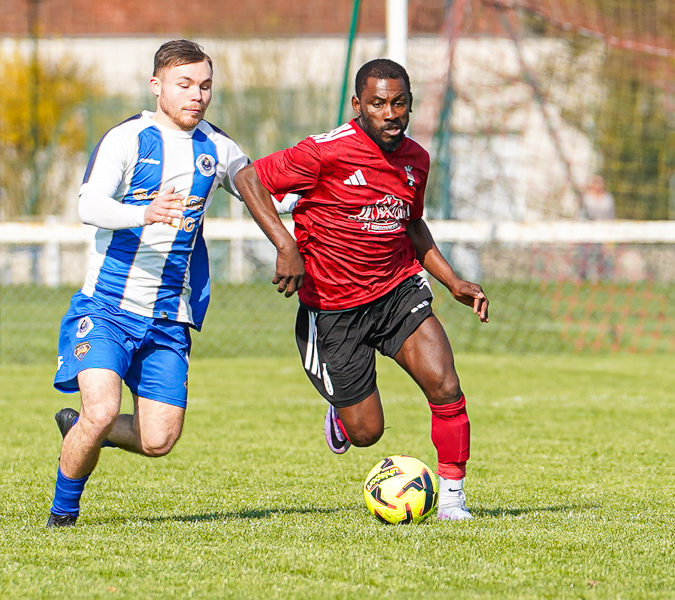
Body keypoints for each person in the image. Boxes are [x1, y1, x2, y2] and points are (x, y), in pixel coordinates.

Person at [233, 58, 489, 520]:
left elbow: (412, 224)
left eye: (399, 103)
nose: (390, 114)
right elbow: (248, 178)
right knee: (367, 432)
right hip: (334, 308)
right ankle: (342, 412)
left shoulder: (417, 159)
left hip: (398, 291)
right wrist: (286, 245)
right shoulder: (325, 152)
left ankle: (453, 500)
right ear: (358, 104)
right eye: (378, 104)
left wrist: (452, 281)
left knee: (446, 385)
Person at [47, 40, 253, 527]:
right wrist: (144, 212)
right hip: (106, 309)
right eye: (185, 84)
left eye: (205, 86)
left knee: (158, 440)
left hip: (168, 318)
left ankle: (81, 429)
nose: (197, 95)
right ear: (157, 86)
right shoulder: (128, 138)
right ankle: (62, 516)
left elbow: (262, 193)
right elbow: (89, 205)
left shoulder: (219, 147)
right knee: (103, 410)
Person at [577, 175, 615, 281]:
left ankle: (603, 278)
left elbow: (611, 215)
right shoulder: (587, 197)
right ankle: (582, 277)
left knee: (603, 255)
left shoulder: (607, 198)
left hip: (603, 230)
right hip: (587, 230)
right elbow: (581, 215)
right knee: (584, 254)